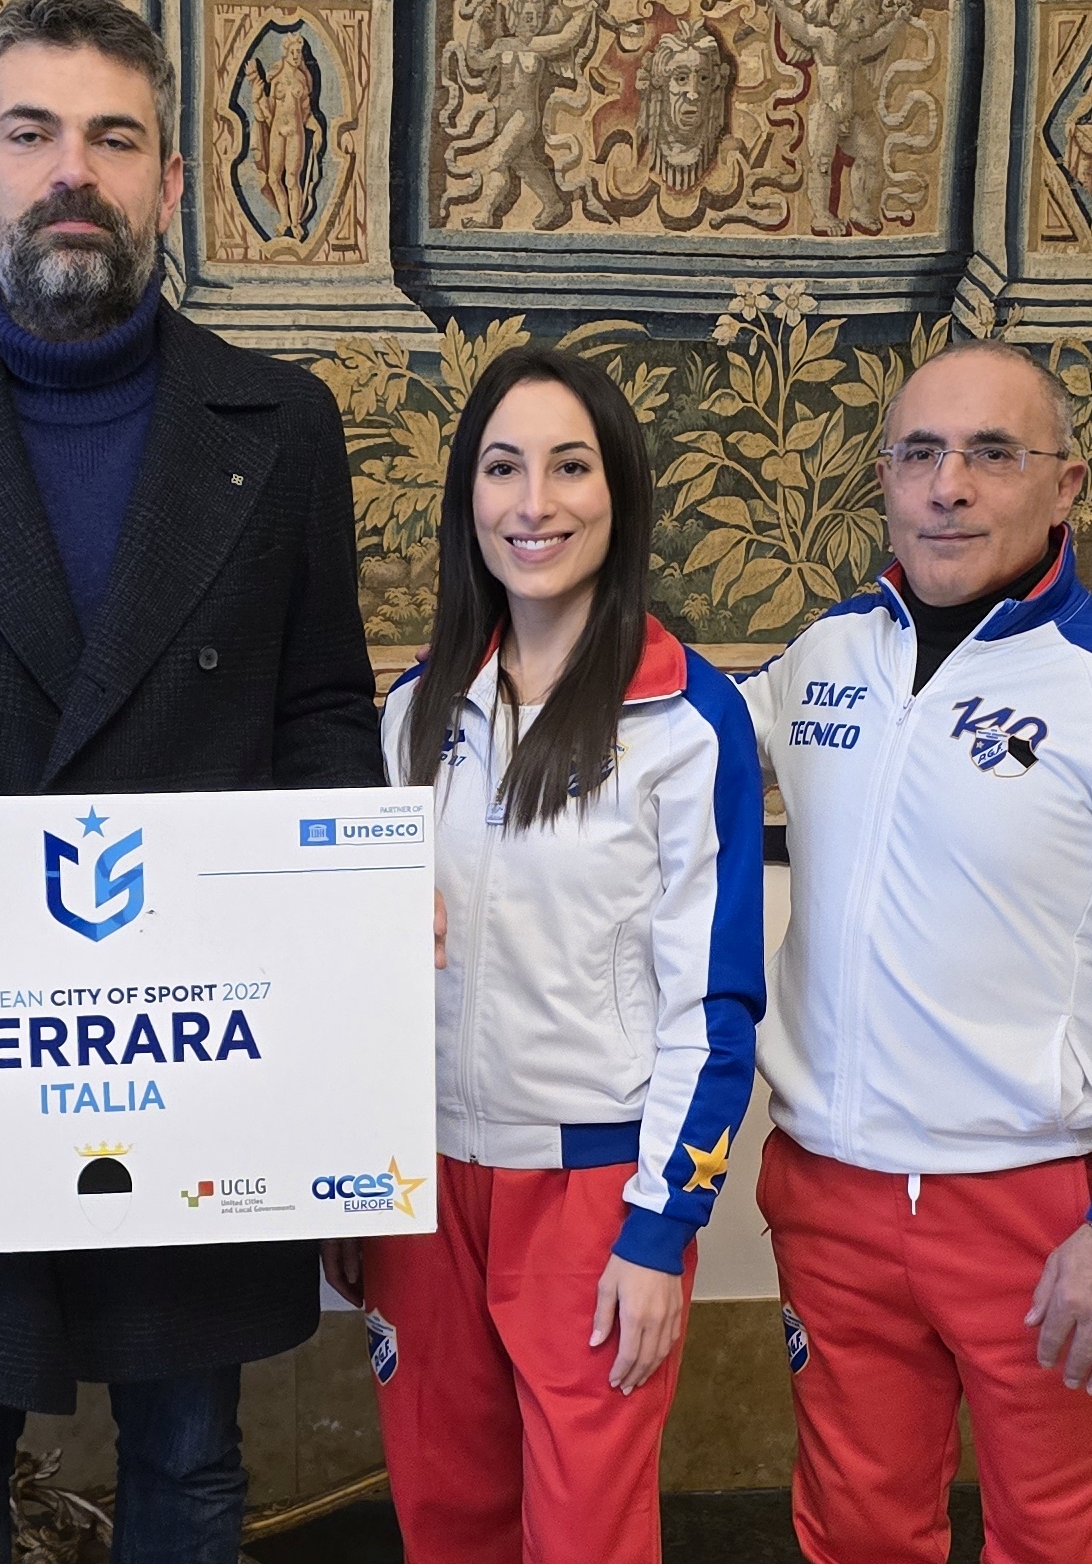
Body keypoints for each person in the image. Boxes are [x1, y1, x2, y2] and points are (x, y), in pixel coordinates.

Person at [0, 0, 382, 1564]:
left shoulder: (282, 425)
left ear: (170, 177)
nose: (72, 171)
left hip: (199, 1041)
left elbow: (321, 711)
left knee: (191, 1455)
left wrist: (352, 951)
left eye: (114, 137)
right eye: (32, 134)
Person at [740, 339, 1092, 1564]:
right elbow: (656, 751)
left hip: (1042, 1214)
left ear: (1064, 483)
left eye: (991, 453)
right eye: (919, 453)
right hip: (829, 1195)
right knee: (852, 1535)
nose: (948, 486)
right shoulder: (822, 657)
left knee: (1060, 1545)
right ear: (883, 478)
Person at [327, 346, 765, 1564]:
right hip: (423, 1192)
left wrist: (658, 1228)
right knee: (445, 1522)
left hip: (589, 1193)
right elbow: (359, 975)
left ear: (616, 492)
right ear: (464, 495)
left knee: (582, 1535)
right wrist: (353, 1177)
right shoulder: (411, 709)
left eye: (569, 467)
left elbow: (713, 1008)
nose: (533, 503)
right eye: (501, 468)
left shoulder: (687, 721)